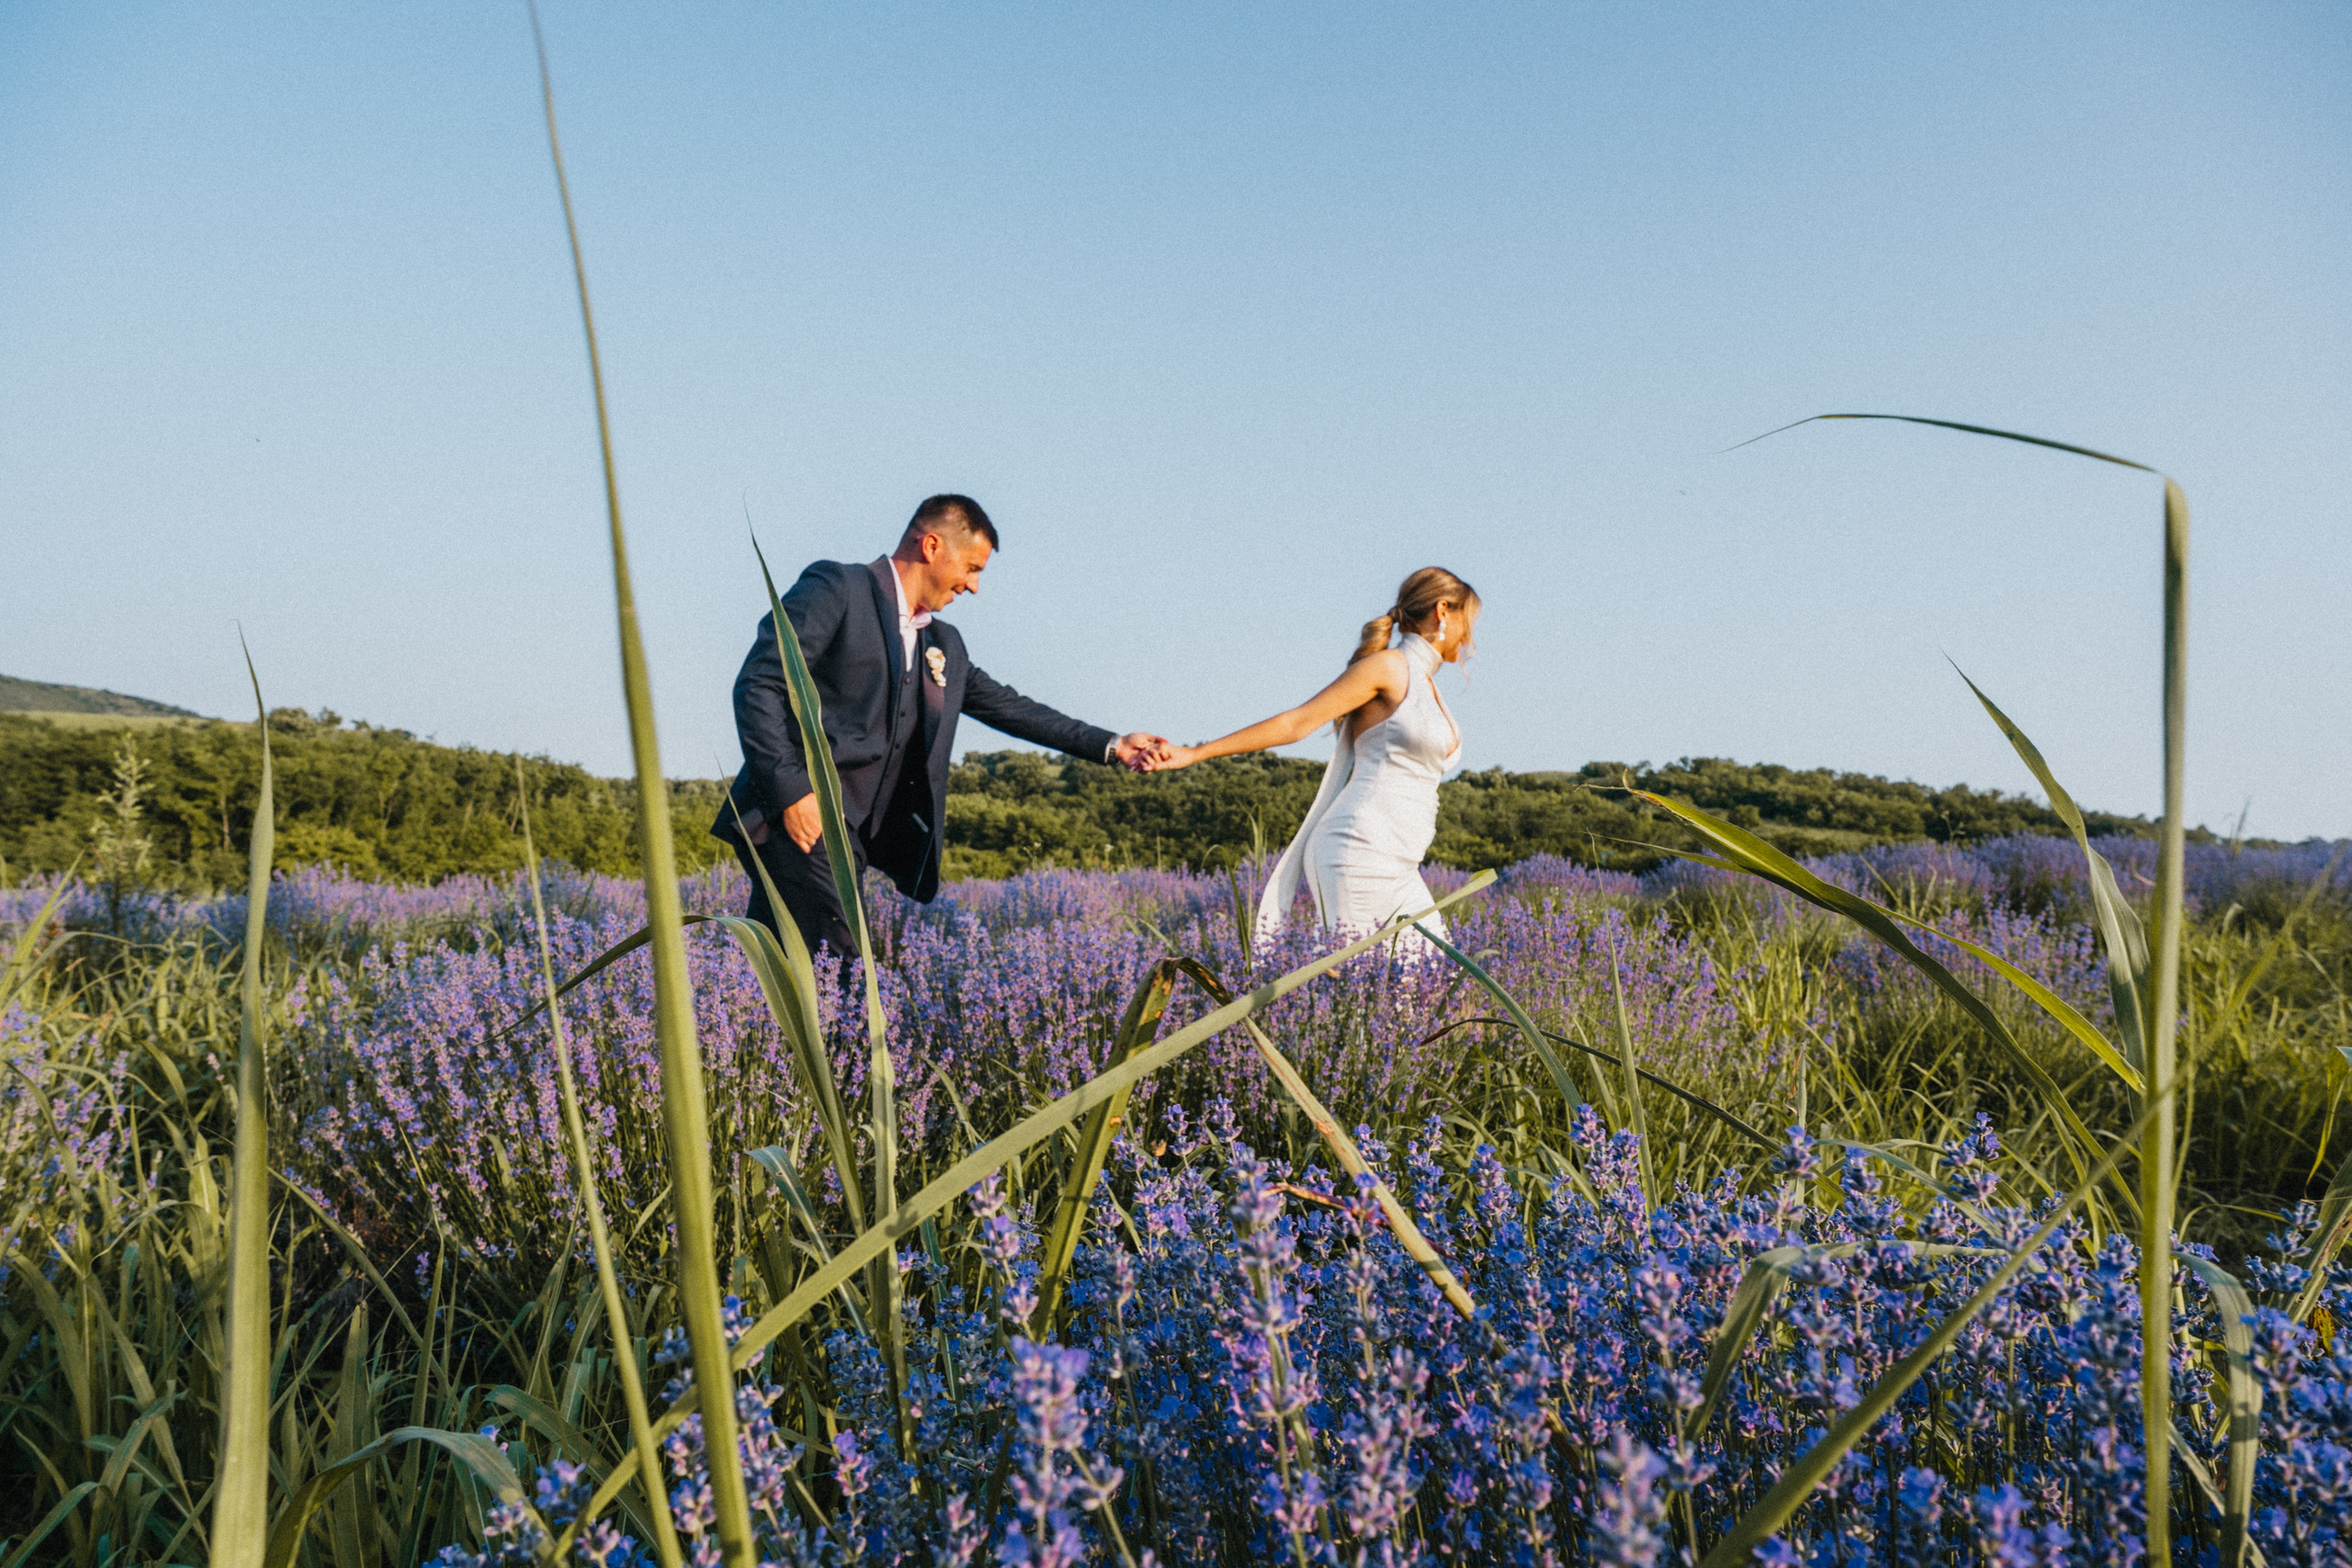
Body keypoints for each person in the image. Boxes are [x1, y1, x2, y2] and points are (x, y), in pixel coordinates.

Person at [715, 494, 1170, 958]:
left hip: (852, 839)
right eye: (971, 568)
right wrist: (791, 792)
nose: (973, 586)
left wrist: (1114, 745)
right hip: (803, 820)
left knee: (780, 969)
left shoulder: (943, 643)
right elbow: (760, 683)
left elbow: (1011, 708)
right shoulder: (838, 587)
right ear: (931, 546)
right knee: (850, 976)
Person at [1149, 567, 1477, 954]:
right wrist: (1196, 752)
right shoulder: (1389, 667)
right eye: (1467, 621)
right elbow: (1297, 722)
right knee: (1375, 990)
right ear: (1443, 611)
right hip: (1361, 849)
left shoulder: (1427, 685)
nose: (1469, 637)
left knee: (1432, 979)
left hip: (1402, 859)